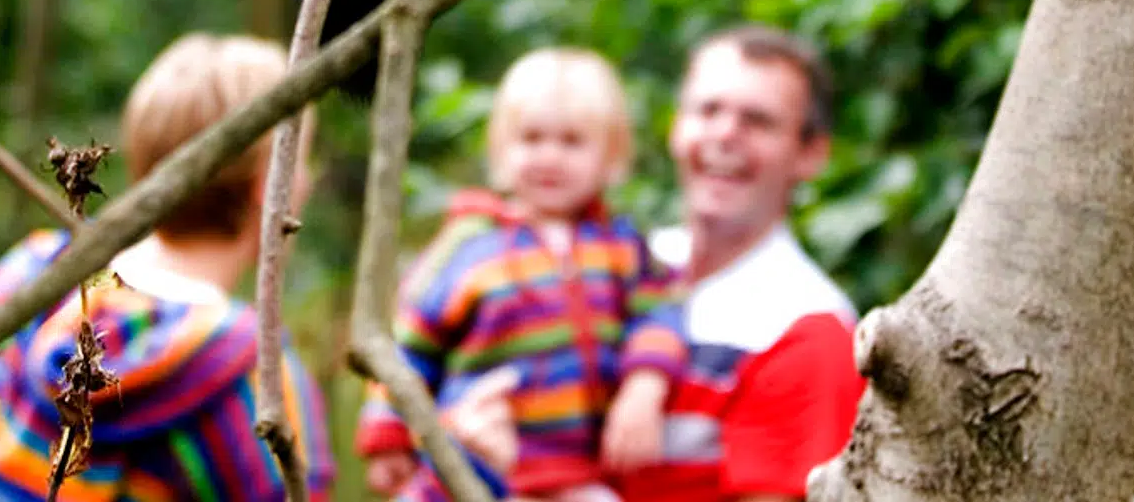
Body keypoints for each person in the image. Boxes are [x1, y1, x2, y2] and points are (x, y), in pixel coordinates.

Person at [0, 33, 333, 502]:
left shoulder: (27, 279)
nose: (308, 181)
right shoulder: (259, 386)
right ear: (268, 183)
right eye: (303, 160)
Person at [356, 48, 688, 502]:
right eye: (531, 139)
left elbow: (661, 309)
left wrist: (645, 383)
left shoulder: (621, 245)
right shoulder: (468, 244)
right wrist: (387, 432)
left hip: (580, 474)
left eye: (572, 141)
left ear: (611, 155)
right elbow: (409, 345)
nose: (549, 157)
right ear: (501, 149)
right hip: (476, 461)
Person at [621, 27, 863, 502]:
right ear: (676, 127)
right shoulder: (620, 265)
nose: (726, 134)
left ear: (810, 153)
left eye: (758, 121)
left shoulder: (811, 327)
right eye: (708, 110)